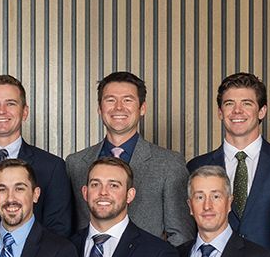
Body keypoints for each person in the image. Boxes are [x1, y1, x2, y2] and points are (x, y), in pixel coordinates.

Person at [186, 72, 270, 256]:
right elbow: (188, 230)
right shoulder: (196, 167)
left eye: (247, 103)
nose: (237, 111)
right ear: (220, 112)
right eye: (230, 104)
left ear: (262, 111)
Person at [64, 71, 191, 244]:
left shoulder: (169, 164)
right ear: (99, 108)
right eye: (110, 100)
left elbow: (180, 235)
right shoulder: (75, 164)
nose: (118, 107)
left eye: (127, 100)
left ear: (142, 108)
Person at [0, 74, 75, 238]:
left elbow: (59, 230)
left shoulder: (52, 167)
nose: (1, 111)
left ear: (24, 112)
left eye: (10, 103)